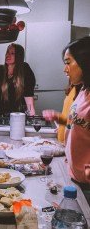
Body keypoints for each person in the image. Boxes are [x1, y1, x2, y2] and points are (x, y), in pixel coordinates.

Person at [61, 36, 90, 202]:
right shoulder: (83, 91)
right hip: (75, 179)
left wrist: (86, 173)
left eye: (68, 62)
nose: (65, 69)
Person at [0, 43, 36, 116]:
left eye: (12, 53)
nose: (8, 55)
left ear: (19, 56)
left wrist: (32, 117)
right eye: (7, 52)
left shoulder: (25, 69)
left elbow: (28, 95)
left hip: (18, 116)